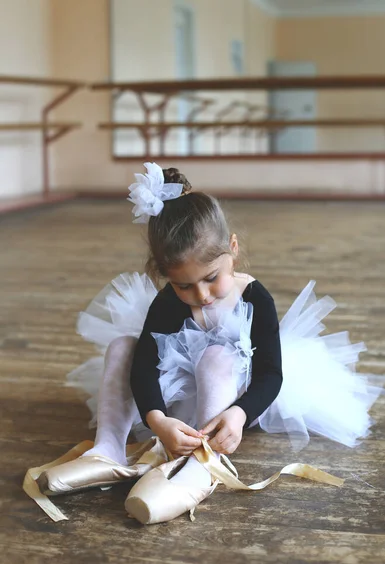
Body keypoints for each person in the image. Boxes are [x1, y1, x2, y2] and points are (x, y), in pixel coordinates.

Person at [34, 163, 381, 524]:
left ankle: (202, 463)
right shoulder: (170, 301)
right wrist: (156, 420)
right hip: (179, 399)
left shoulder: (255, 298)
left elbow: (270, 373)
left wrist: (241, 412)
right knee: (123, 345)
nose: (200, 295)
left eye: (211, 278)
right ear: (164, 274)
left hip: (231, 394)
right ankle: (107, 451)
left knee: (215, 355)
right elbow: (144, 366)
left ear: (232, 248)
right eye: (184, 285)